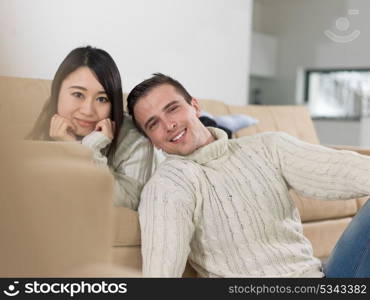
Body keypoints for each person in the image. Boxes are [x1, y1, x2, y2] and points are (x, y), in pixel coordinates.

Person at [126, 73, 370, 278]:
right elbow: (160, 276)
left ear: (195, 106)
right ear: (153, 142)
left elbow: (343, 169)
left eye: (173, 109)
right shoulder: (169, 184)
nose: (169, 124)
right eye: (153, 124)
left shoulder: (267, 147)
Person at [27, 46, 164, 210]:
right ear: (57, 93)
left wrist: (85, 151)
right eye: (78, 95)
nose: (88, 110)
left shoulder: (135, 139)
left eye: (102, 99)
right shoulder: (52, 119)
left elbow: (127, 203)